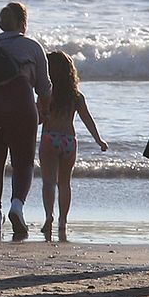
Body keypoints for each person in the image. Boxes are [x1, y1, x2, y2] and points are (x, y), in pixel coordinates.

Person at [0, 1, 50, 240]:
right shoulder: (32, 46)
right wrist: (42, 112)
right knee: (23, 161)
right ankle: (17, 206)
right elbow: (45, 89)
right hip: (19, 102)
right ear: (22, 22)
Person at [38, 50, 107, 239]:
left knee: (48, 182)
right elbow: (87, 120)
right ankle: (63, 220)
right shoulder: (76, 96)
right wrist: (98, 140)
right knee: (65, 183)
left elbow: (38, 119)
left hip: (50, 138)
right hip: (69, 141)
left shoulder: (47, 94)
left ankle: (49, 216)